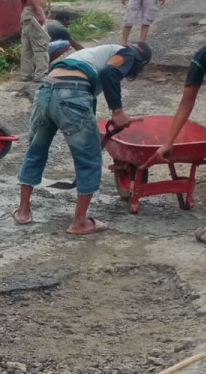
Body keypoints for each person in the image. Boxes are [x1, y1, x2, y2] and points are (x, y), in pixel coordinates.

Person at [13, 42, 152, 235]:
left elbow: (88, 101)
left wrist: (88, 134)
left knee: (35, 150)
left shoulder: (97, 53)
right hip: (72, 92)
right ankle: (79, 223)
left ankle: (22, 212)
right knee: (89, 160)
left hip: (45, 90)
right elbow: (109, 73)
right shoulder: (128, 53)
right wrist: (118, 112)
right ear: (141, 61)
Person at [155, 44, 206, 242]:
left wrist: (168, 142)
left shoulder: (202, 54)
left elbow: (187, 101)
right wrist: (169, 141)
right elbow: (187, 101)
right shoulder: (202, 56)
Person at [19, 0, 52, 82]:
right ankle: (41, 75)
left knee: (27, 46)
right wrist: (39, 12)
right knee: (40, 43)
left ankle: (26, 74)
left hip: (28, 12)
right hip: (33, 12)